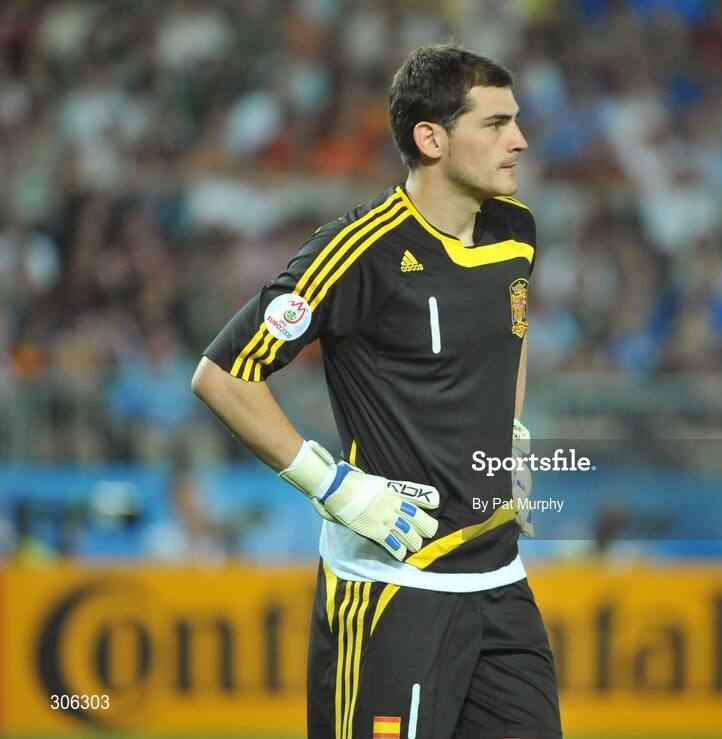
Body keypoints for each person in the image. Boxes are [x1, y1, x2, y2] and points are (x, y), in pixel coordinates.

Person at [192, 43, 561, 738]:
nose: (520, 140)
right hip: (395, 592)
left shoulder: (516, 231)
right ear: (431, 137)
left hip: (499, 583)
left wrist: (507, 438)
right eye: (496, 123)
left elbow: (506, 336)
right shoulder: (357, 251)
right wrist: (334, 487)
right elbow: (221, 374)